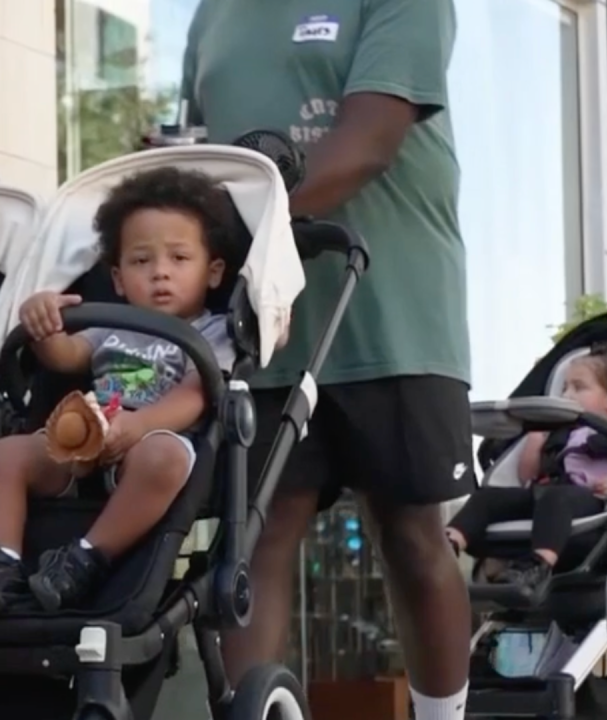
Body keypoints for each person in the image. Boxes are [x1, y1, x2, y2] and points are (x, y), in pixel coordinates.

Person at [180, 1, 475, 718]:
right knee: (258, 529)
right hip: (269, 321)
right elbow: (197, 151)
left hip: (392, 308)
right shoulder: (213, 14)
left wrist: (247, 233)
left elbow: (370, 140)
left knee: (409, 532)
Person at [0, 167, 237, 615]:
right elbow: (66, 357)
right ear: (118, 278)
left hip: (150, 438)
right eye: (142, 261)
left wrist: (138, 426)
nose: (160, 273)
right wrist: (42, 322)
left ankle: (86, 558)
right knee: (5, 455)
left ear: (213, 272)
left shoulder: (211, 331)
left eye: (179, 259)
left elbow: (196, 396)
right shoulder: (108, 324)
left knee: (167, 459)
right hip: (82, 438)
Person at [447, 344, 607, 596]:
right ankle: (447, 544)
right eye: (564, 388)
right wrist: (537, 437)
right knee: (488, 497)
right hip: (546, 494)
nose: (567, 395)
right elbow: (526, 475)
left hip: (593, 500)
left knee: (556, 498)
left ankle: (536, 566)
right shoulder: (561, 433)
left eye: (578, 388)